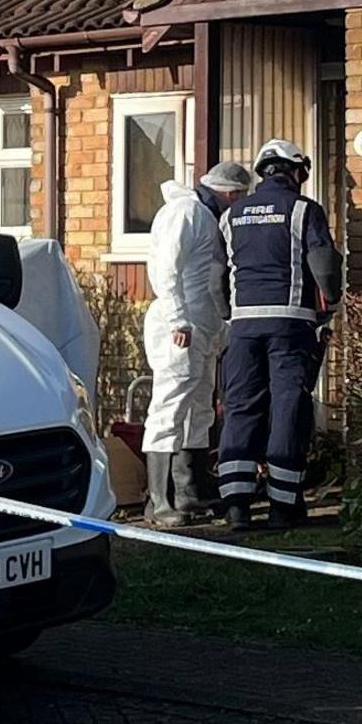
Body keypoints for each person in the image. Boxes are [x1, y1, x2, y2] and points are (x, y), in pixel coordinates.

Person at [213, 137, 341, 529]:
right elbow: (324, 268)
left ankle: (236, 505)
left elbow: (216, 276)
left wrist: (230, 316)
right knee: (288, 407)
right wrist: (330, 307)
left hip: (243, 328)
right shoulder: (304, 210)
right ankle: (283, 505)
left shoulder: (232, 215)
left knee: (241, 407)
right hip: (290, 325)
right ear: (294, 171)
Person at [137, 158, 251, 524]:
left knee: (199, 406)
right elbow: (165, 267)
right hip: (180, 327)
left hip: (201, 325)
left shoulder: (202, 214)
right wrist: (178, 318)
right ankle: (159, 500)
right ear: (231, 193)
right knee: (169, 407)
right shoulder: (185, 212)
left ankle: (188, 493)